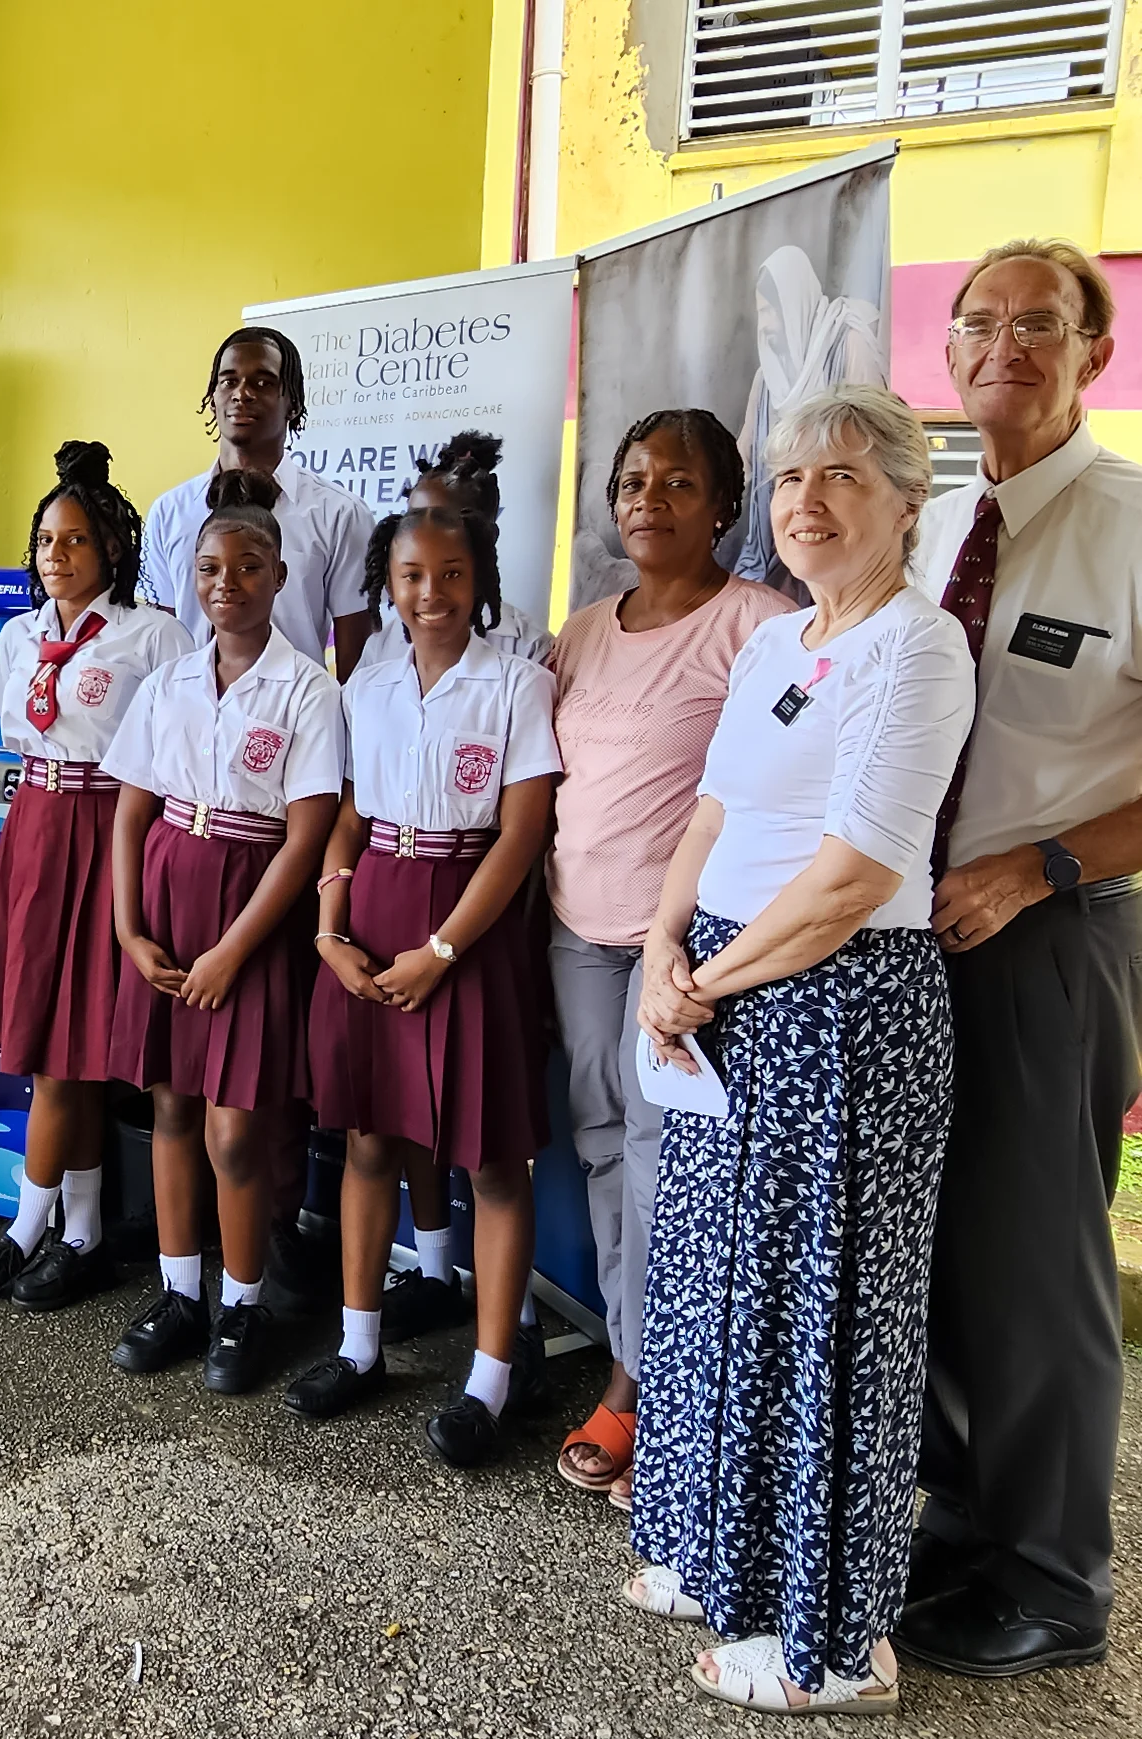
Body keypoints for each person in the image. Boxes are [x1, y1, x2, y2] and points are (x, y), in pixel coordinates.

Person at [627, 386, 973, 1713]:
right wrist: (664, 947)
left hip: (839, 1015)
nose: (806, 503)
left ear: (901, 498)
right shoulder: (781, 645)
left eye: (840, 476)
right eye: (786, 480)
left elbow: (850, 878)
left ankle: (826, 1638)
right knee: (718, 1286)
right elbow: (711, 812)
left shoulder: (916, 650)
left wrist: (696, 978)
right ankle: (720, 1557)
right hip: (723, 992)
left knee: (822, 1317)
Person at [902, 239, 1142, 1679]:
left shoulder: (1128, 521)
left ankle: (1056, 1576)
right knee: (938, 1243)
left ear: (1092, 351)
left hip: (1051, 929)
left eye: (1039, 324)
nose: (1005, 345)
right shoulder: (930, 524)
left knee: (1037, 1258)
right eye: (980, 323)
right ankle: (966, 1523)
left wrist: (1042, 862)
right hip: (914, 933)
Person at [544, 409, 795, 1505]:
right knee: (605, 1148)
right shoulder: (584, 628)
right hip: (573, 935)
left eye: (678, 483)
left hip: (684, 953)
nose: (648, 498)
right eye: (632, 480)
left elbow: (777, 791)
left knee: (664, 1164)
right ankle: (643, 1371)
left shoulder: (759, 624)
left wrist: (686, 944)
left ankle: (649, 1392)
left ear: (724, 506)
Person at [289, 502, 560, 1466]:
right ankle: (360, 1347)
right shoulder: (364, 683)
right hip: (372, 912)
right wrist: (328, 926)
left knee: (490, 1158)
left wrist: (442, 950)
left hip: (471, 926)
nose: (431, 593)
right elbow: (351, 817)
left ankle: (491, 1374)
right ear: (387, 587)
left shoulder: (520, 685)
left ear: (479, 578)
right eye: (411, 576)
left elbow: (522, 836)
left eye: (450, 574)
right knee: (369, 1140)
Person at [101, 471, 343, 1394]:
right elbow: (132, 809)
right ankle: (181, 1292)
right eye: (209, 565)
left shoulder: (306, 692)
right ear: (189, 574)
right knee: (168, 1104)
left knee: (236, 1125)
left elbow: (308, 835)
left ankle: (245, 1304)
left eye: (248, 564)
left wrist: (235, 949)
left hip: (249, 913)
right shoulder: (167, 682)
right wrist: (130, 928)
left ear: (279, 575)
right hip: (167, 896)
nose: (226, 581)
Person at [0, 441, 191, 1308]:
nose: (59, 555)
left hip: (107, 829)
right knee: (62, 1045)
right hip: (37, 830)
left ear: (113, 549)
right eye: (48, 540)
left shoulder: (151, 634)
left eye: (78, 540)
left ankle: (25, 1226)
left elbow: (170, 749)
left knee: (69, 1051)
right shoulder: (18, 636)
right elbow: (15, 738)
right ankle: (81, 1231)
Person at [141, 327, 373, 677]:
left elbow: (356, 663)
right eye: (228, 381)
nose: (242, 394)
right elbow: (162, 641)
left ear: (292, 402)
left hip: (297, 720)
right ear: (213, 396)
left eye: (263, 383)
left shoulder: (340, 515)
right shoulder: (168, 513)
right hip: (188, 720)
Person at [732, 246, 885, 594]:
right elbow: (745, 454)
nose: (768, 325)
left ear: (796, 302)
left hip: (840, 528)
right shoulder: (767, 376)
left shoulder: (848, 344)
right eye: (762, 313)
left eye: (774, 311)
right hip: (785, 531)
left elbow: (876, 447)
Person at [356, 433, 552, 669]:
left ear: (487, 537)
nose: (426, 535)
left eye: (444, 524)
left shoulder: (529, 649)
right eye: (414, 520)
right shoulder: (383, 645)